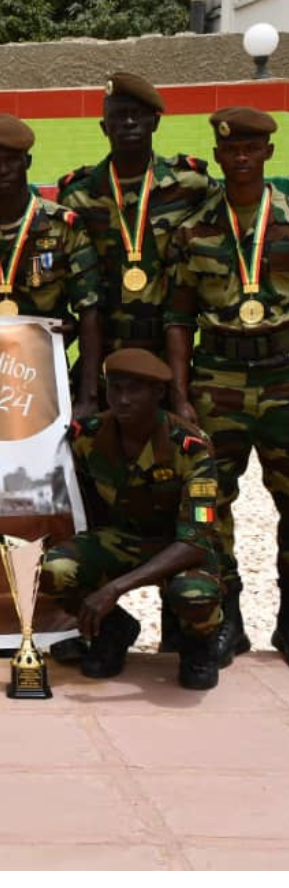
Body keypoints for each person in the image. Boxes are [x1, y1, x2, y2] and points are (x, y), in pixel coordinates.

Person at [165, 106, 289, 667]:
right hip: (219, 378)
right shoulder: (195, 226)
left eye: (250, 148)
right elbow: (178, 318)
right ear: (217, 156)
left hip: (285, 375)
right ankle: (227, 624)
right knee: (210, 505)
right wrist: (182, 394)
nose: (240, 157)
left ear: (267, 152)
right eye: (230, 150)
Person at [39, 348, 221, 690]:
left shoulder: (191, 447)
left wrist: (113, 588)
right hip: (122, 539)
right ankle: (113, 631)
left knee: (194, 595)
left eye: (134, 390)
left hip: (178, 546)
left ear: (158, 393)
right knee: (53, 570)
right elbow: (82, 500)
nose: (121, 400)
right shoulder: (87, 436)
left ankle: (198, 645)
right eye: (115, 388)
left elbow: (195, 542)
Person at [57, 72, 211, 371]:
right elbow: (52, 257)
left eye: (137, 115)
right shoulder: (78, 195)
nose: (128, 123)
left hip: (169, 350)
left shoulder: (191, 184)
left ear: (155, 122)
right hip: (103, 352)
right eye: (118, 116)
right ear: (104, 127)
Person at [0, 114, 104, 418]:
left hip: (46, 373)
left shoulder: (63, 227)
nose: (3, 170)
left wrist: (89, 396)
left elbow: (90, 311)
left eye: (12, 160)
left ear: (28, 162)